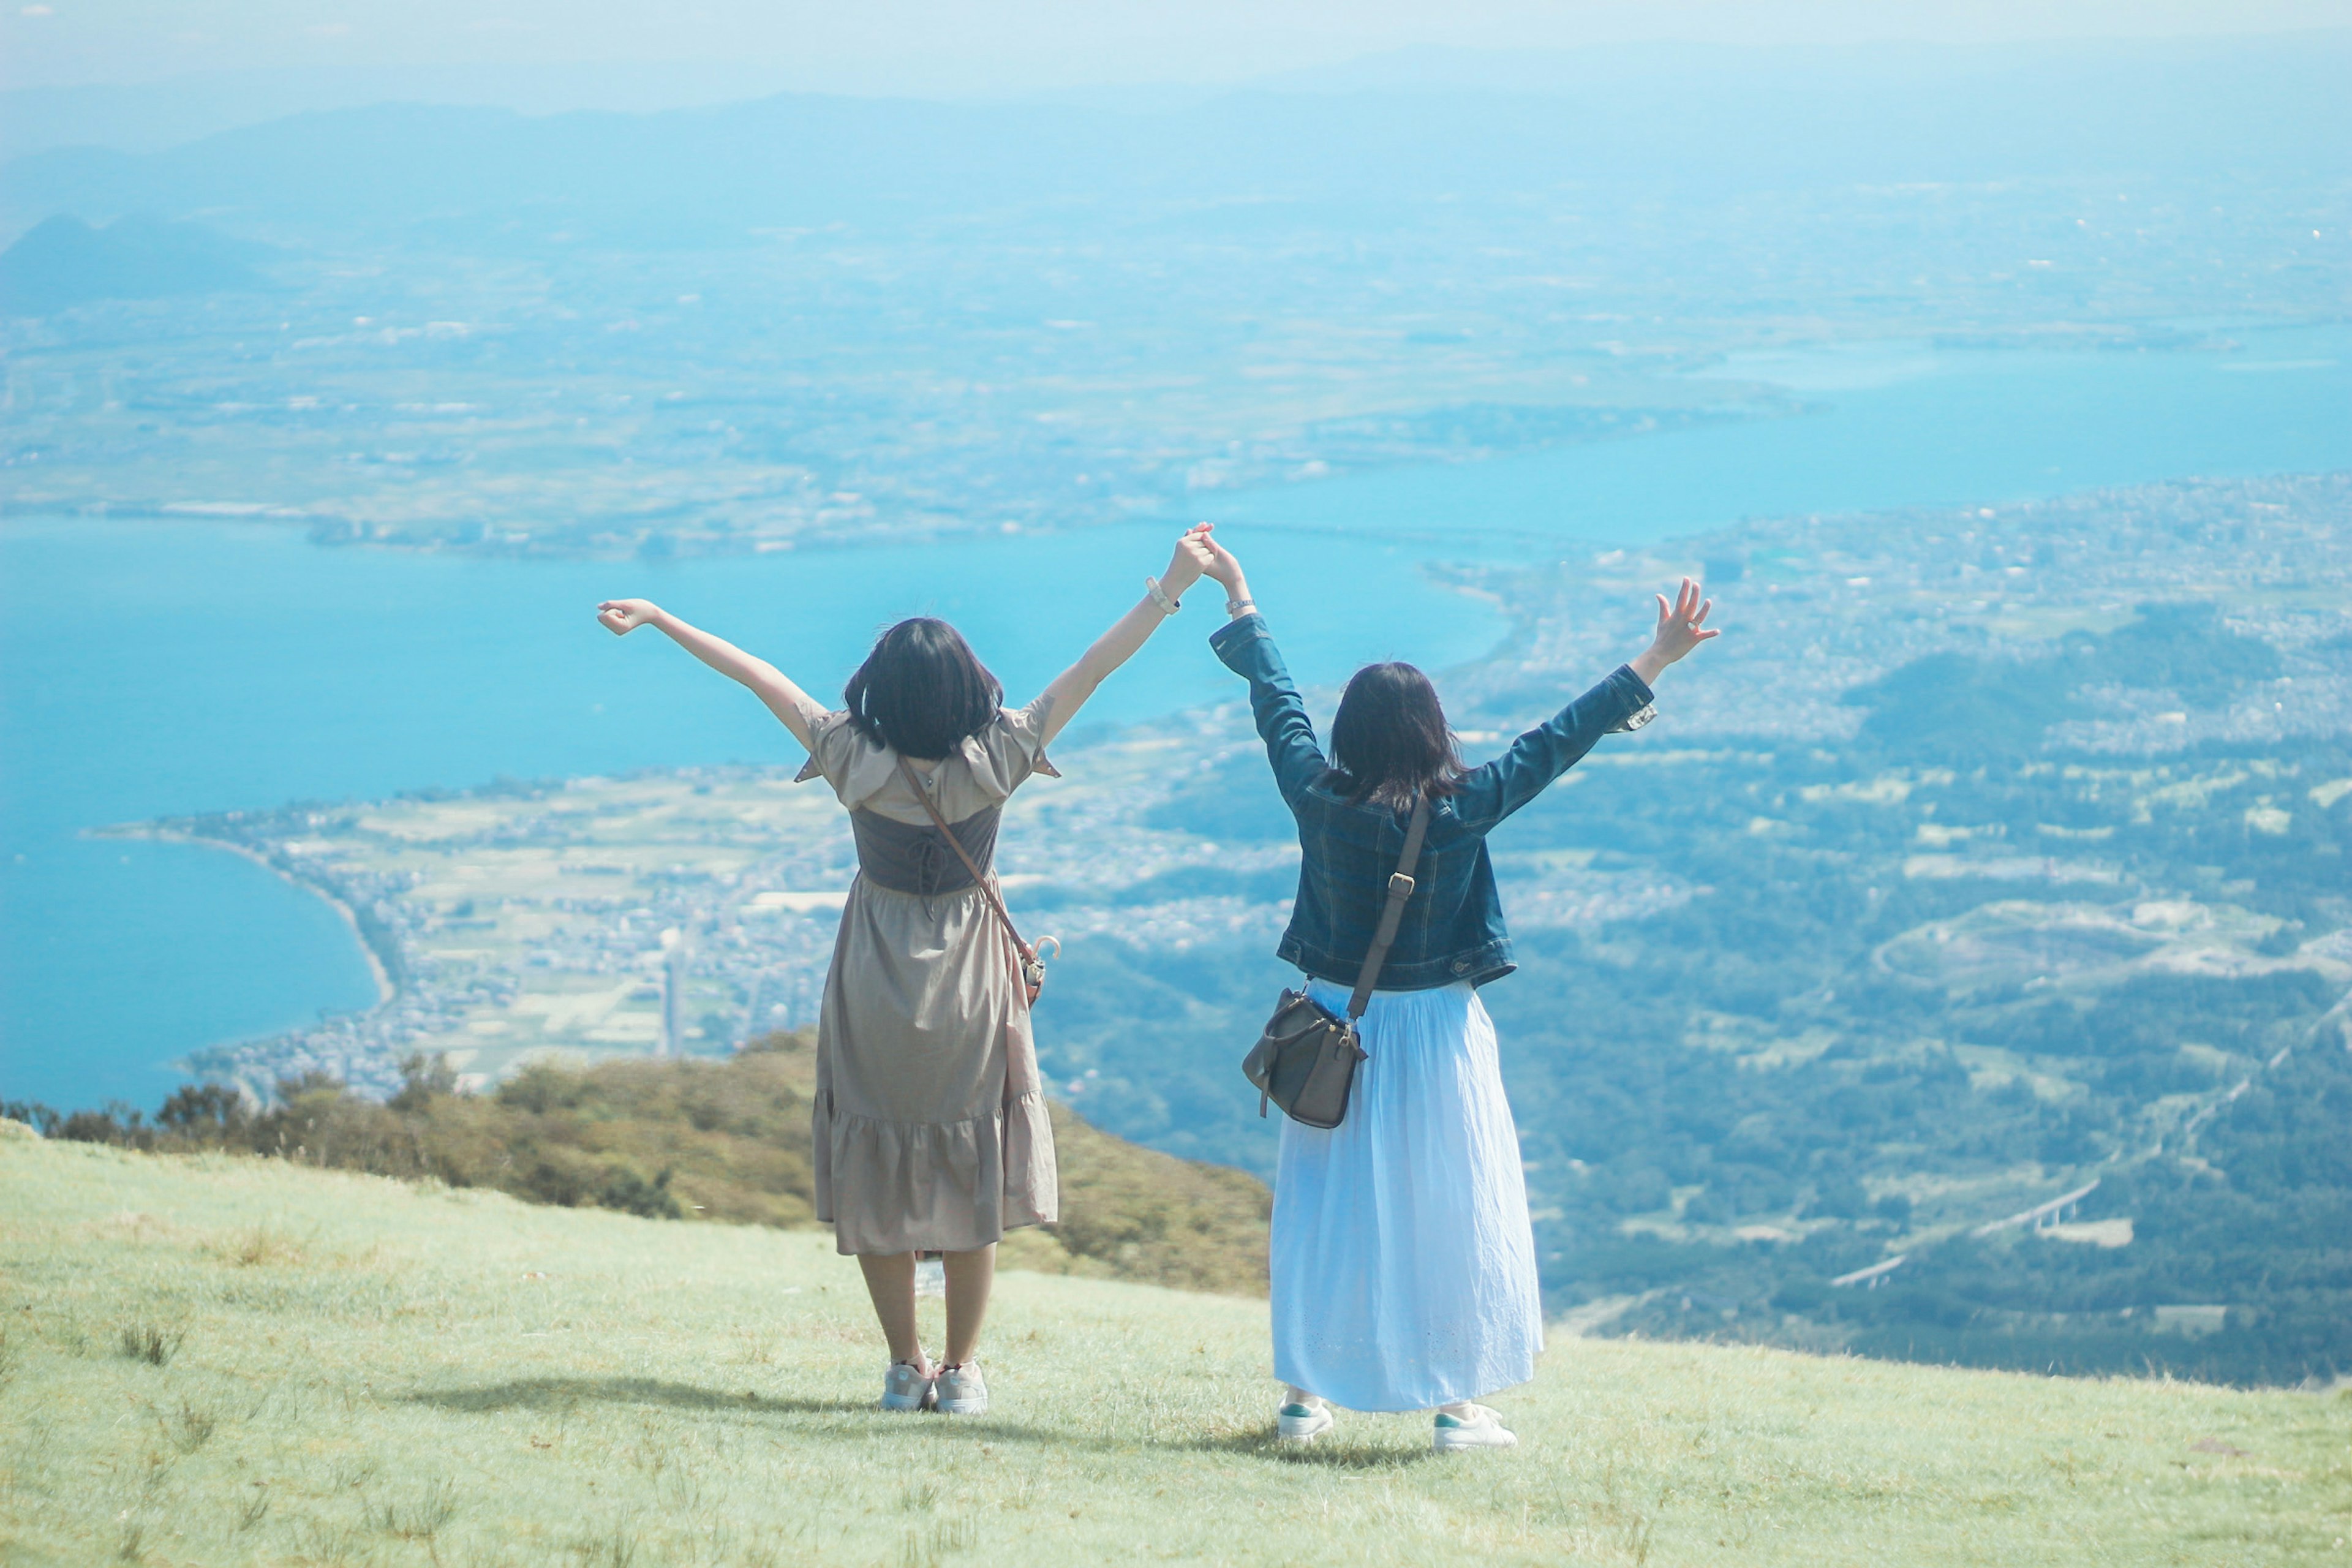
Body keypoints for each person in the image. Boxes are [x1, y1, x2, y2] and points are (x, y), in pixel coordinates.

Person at [595, 527, 1217, 1415]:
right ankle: (961, 1372)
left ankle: (902, 1366)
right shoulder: (998, 755)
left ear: (876, 690)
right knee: (971, 1160)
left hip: (875, 971)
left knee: (878, 1158)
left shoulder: (851, 757)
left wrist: (659, 617)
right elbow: (1095, 667)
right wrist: (1172, 588)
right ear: (969, 686)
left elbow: (756, 674)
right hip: (973, 974)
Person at [1193, 529, 1716, 1453]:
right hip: (1435, 1029)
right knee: (1450, 1213)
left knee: (1326, 1214)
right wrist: (1657, 660)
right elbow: (1554, 741)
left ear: (1353, 734)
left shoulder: (1318, 799)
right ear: (1434, 733)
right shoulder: (1462, 808)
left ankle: (1303, 1396)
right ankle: (1456, 1407)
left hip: (1330, 1030)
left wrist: (1241, 597)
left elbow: (1277, 705)